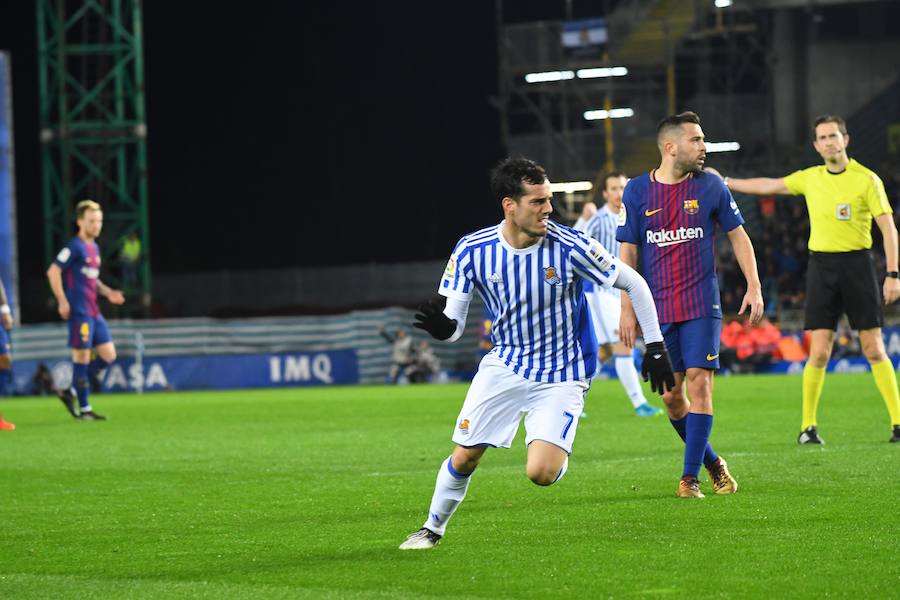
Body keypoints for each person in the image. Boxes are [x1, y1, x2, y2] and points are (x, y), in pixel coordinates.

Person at [398, 157, 675, 550]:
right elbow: (454, 324)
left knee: (542, 473)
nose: (549, 209)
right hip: (506, 365)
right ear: (509, 205)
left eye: (549, 199)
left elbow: (634, 282)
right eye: (538, 202)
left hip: (563, 372)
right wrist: (443, 328)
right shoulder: (472, 250)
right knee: (464, 457)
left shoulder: (571, 246)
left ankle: (555, 446)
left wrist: (657, 346)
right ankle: (431, 528)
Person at [714, 115, 900, 444]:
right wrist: (725, 181)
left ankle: (898, 423)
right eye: (822, 137)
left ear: (846, 139)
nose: (829, 141)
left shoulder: (867, 180)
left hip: (859, 265)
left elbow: (888, 228)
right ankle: (808, 427)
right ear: (816, 145)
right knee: (818, 352)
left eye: (833, 135)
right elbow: (768, 185)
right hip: (822, 267)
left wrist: (893, 274)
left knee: (873, 348)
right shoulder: (810, 178)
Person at [618, 111, 764, 498]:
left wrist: (754, 286)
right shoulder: (635, 191)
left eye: (703, 139)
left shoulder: (711, 187)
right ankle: (714, 463)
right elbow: (627, 254)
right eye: (696, 140)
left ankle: (689, 479)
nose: (704, 146)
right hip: (657, 309)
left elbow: (739, 236)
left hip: (701, 304)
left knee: (700, 385)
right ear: (671, 147)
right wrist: (626, 308)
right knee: (671, 397)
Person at [584, 172, 663, 417]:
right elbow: (579, 247)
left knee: (605, 352)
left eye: (622, 187)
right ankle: (640, 403)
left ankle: (569, 395)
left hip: (622, 293)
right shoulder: (598, 220)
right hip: (601, 293)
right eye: (614, 188)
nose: (619, 192)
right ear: (606, 193)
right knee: (624, 343)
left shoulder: (633, 215)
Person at [46, 200, 125, 421]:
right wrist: (62, 301)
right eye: (91, 220)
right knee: (81, 357)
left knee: (109, 355)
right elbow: (53, 272)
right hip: (79, 311)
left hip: (93, 311)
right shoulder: (74, 247)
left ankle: (71, 392)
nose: (96, 225)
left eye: (99, 221)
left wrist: (108, 292)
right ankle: (85, 409)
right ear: (80, 222)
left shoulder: (94, 248)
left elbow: (92, 277)